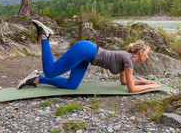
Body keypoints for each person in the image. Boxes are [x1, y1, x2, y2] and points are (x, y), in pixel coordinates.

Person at [17, 20, 161, 93]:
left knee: (72, 85)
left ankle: (35, 79)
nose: (147, 58)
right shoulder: (128, 60)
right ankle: (44, 35)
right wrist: (150, 86)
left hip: (88, 56)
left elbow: (124, 82)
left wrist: (144, 82)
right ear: (140, 52)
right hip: (85, 50)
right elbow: (131, 89)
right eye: (147, 54)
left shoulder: (127, 59)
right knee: (50, 71)